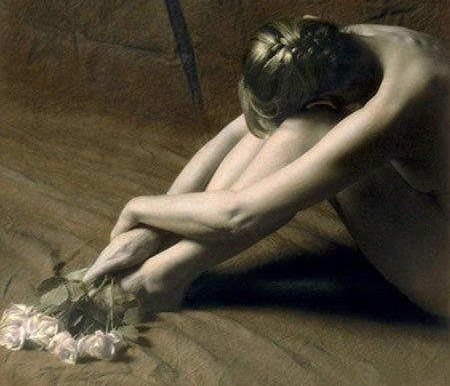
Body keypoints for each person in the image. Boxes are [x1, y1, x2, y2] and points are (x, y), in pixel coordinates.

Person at [84, 16, 449, 318]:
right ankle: (162, 260)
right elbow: (235, 133)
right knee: (296, 123)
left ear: (328, 98)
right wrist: (151, 232)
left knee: (307, 129)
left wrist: (137, 208)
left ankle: (157, 279)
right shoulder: (340, 42)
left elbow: (238, 214)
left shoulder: (395, 108)